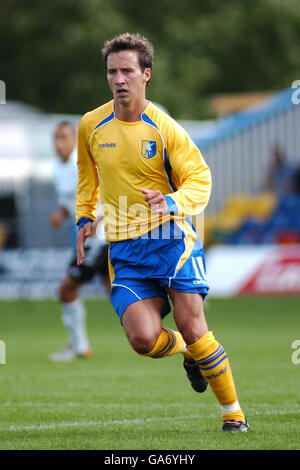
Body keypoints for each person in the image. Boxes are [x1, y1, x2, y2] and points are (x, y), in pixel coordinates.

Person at [75, 33, 249, 432]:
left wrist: (171, 202)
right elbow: (87, 178)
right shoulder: (90, 125)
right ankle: (191, 353)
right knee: (143, 340)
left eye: (127, 71)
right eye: (112, 72)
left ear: (146, 74)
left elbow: (200, 179)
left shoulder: (165, 128)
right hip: (125, 249)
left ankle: (233, 415)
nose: (119, 79)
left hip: (171, 240)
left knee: (193, 324)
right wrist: (84, 218)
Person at [49, 121, 110, 362]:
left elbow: (106, 192)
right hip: (88, 239)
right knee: (115, 292)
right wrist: (60, 215)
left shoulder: (81, 162)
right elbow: (69, 202)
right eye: (56, 138)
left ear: (74, 139)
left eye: (64, 138)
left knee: (67, 288)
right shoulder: (57, 168)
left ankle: (79, 347)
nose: (59, 143)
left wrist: (98, 221)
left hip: (99, 239)